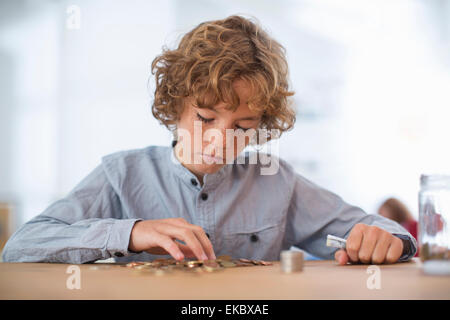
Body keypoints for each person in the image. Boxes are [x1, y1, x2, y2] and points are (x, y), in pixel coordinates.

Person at [2, 15, 417, 265]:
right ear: (175, 104)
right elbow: (21, 246)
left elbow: (384, 231)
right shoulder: (120, 174)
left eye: (243, 126)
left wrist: (387, 241)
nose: (221, 139)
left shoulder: (277, 182)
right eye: (205, 116)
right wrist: (130, 232)